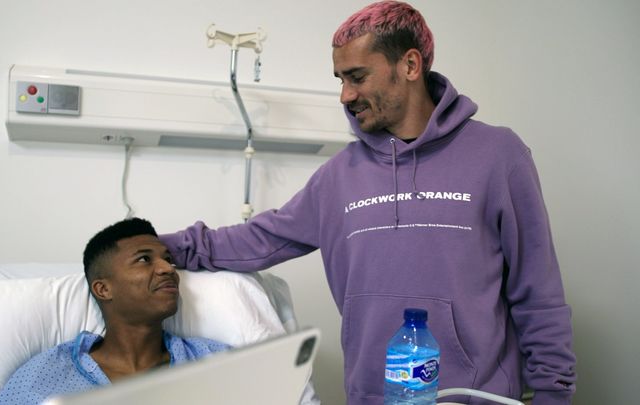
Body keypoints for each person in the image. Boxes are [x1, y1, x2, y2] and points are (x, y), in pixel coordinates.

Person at [157, 1, 576, 404]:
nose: (345, 95)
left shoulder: (498, 157)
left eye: (357, 77)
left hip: (476, 398)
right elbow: (257, 240)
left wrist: (553, 394)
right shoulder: (338, 177)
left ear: (409, 66)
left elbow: (538, 295)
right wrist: (151, 246)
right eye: (340, 79)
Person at [0, 218, 230, 405]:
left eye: (168, 259)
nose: (167, 268)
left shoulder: (216, 362)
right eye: (144, 259)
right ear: (104, 289)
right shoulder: (41, 378)